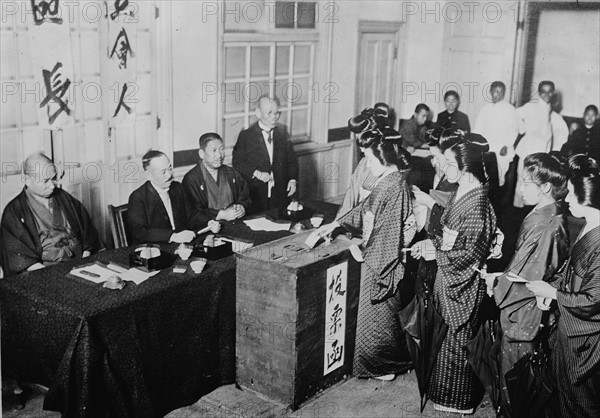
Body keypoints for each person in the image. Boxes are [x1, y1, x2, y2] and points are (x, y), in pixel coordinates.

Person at [317, 129, 416, 380]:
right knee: (374, 318)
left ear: (386, 159)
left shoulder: (395, 187)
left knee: (379, 318)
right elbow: (364, 210)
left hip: (382, 262)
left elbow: (388, 233)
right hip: (376, 256)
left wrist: (363, 252)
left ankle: (385, 366)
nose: (368, 167)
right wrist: (337, 223)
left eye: (371, 160)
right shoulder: (387, 182)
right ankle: (382, 363)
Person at [411, 134, 497, 414]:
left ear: (466, 165)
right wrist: (431, 243)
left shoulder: (477, 203)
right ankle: (446, 395)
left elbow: (471, 252)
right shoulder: (464, 190)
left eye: (449, 162)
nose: (444, 166)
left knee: (457, 342)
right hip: (449, 276)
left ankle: (458, 401)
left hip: (463, 283)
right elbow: (453, 241)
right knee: (444, 340)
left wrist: (438, 253)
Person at [485, 152, 569, 410]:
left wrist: (497, 284)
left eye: (526, 182)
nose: (520, 188)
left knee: (518, 381)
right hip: (525, 300)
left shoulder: (547, 223)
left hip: (525, 311)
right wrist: (501, 276)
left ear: (545, 187)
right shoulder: (543, 214)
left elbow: (530, 276)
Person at [527, 155, 600, 418]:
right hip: (569, 331)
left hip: (587, 341)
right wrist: (552, 287)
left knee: (582, 405)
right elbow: (570, 269)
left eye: (571, 192)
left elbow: (593, 300)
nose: (567, 198)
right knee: (563, 396)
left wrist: (554, 293)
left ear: (587, 195)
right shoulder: (588, 226)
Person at [0, 153, 103, 274]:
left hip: (79, 264)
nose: (52, 186)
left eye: (53, 179)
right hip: (43, 273)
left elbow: (88, 234)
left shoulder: (64, 197)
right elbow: (20, 259)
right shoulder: (14, 211)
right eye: (45, 181)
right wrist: (52, 274)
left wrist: (86, 256)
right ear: (27, 180)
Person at [411, 128, 462, 296]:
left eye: (437, 157)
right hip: (433, 243)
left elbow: (453, 226)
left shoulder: (458, 183)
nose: (433, 163)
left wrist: (430, 203)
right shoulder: (445, 177)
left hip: (445, 253)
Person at [232, 95, 298, 214]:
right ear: (258, 113)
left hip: (279, 195)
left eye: (277, 113)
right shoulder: (246, 136)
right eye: (269, 113)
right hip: (255, 195)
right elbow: (238, 163)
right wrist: (256, 173)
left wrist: (292, 179)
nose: (274, 117)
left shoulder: (283, 133)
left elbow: (292, 160)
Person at [128, 150, 202, 245]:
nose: (169, 175)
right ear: (148, 175)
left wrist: (208, 222)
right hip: (155, 249)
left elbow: (192, 215)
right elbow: (140, 232)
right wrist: (172, 236)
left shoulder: (177, 187)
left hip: (181, 246)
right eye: (163, 172)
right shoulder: (138, 197)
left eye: (170, 168)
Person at [514, 81, 569, 207]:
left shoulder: (551, 110)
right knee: (524, 180)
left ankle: (531, 208)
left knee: (538, 181)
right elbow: (516, 114)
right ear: (539, 92)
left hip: (542, 151)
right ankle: (518, 210)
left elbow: (560, 132)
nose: (547, 94)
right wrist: (523, 128)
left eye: (550, 92)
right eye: (544, 91)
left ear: (553, 93)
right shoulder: (531, 106)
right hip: (529, 149)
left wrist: (555, 148)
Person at [183, 133, 251, 230]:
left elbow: (245, 195)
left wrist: (242, 207)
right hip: (208, 229)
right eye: (214, 150)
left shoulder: (231, 172)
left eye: (221, 149)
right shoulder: (191, 179)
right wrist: (221, 214)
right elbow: (192, 214)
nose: (219, 155)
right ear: (201, 153)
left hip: (235, 224)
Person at [336, 108, 390, 218]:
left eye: (363, 143)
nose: (360, 149)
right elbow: (352, 193)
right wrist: (338, 221)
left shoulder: (387, 165)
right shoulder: (364, 162)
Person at [474, 81, 519, 187]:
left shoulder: (509, 109)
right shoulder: (485, 109)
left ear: (504, 93)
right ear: (490, 92)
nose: (497, 94)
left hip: (501, 148)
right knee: (484, 176)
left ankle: (497, 198)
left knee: (498, 177)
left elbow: (514, 129)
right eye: (495, 91)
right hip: (486, 147)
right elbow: (478, 129)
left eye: (500, 92)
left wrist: (506, 145)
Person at [401, 103, 435, 190]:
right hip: (403, 156)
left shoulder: (423, 127)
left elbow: (426, 139)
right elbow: (415, 142)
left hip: (415, 155)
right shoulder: (407, 125)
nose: (425, 119)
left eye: (426, 117)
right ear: (415, 115)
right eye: (423, 116)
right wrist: (430, 145)